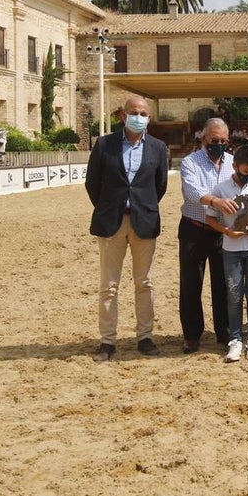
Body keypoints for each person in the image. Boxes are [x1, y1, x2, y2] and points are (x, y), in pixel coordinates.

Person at [85, 95, 169, 362]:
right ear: (123, 115)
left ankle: (145, 337)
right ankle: (108, 341)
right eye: (134, 112)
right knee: (109, 285)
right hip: (112, 222)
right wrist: (111, 207)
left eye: (143, 114)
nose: (138, 117)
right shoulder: (104, 144)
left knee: (144, 282)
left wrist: (142, 207)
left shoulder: (158, 147)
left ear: (149, 118)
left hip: (144, 221)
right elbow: (92, 183)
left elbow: (160, 186)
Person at [206, 144, 248, 363]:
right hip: (231, 249)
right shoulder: (221, 189)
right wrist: (226, 231)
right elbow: (210, 218)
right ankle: (235, 339)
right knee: (233, 295)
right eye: (245, 171)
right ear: (235, 166)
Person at [177, 118, 234, 353]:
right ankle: (192, 335)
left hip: (222, 232)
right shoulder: (190, 162)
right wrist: (215, 201)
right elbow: (192, 191)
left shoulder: (232, 163)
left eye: (222, 141)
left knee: (224, 284)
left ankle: (225, 332)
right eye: (214, 140)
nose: (218, 145)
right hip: (194, 228)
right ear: (203, 138)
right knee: (191, 284)